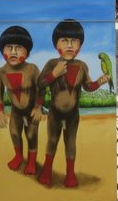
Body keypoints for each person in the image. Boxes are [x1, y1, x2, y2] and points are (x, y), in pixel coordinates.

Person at [37, 19, 110, 188]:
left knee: (70, 143)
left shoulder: (82, 66)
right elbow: (40, 84)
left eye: (74, 41)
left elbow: (87, 86)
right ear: (56, 45)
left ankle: (70, 175)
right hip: (55, 113)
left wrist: (100, 81)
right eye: (64, 40)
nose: (69, 45)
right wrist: (53, 75)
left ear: (80, 46)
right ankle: (47, 171)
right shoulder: (52, 64)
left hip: (72, 115)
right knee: (52, 141)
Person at [0, 26, 43, 175]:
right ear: (2, 51)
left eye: (19, 48)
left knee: (31, 135)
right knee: (14, 133)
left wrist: (38, 107)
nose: (14, 52)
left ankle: (31, 161)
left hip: (31, 109)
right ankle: (18, 156)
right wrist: (0, 112)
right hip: (16, 111)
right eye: (9, 47)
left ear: (27, 52)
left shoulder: (32, 69)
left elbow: (41, 88)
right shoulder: (1, 72)